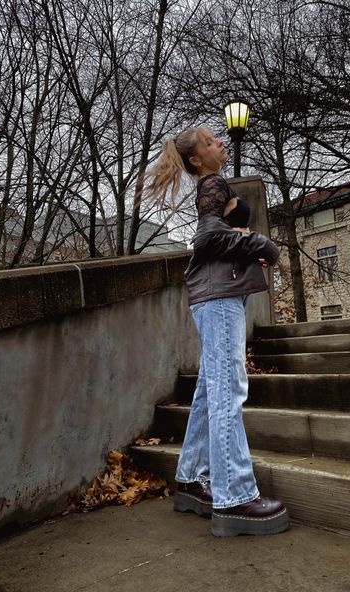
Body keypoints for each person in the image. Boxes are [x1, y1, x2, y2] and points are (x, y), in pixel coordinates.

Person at [146, 127, 289, 537]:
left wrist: (244, 244)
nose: (220, 143)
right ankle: (235, 496)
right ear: (196, 159)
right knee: (229, 391)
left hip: (216, 294)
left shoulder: (211, 183)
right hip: (219, 297)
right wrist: (262, 244)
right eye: (211, 142)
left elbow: (218, 236)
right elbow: (207, 238)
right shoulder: (214, 182)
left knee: (212, 389)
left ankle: (192, 478)